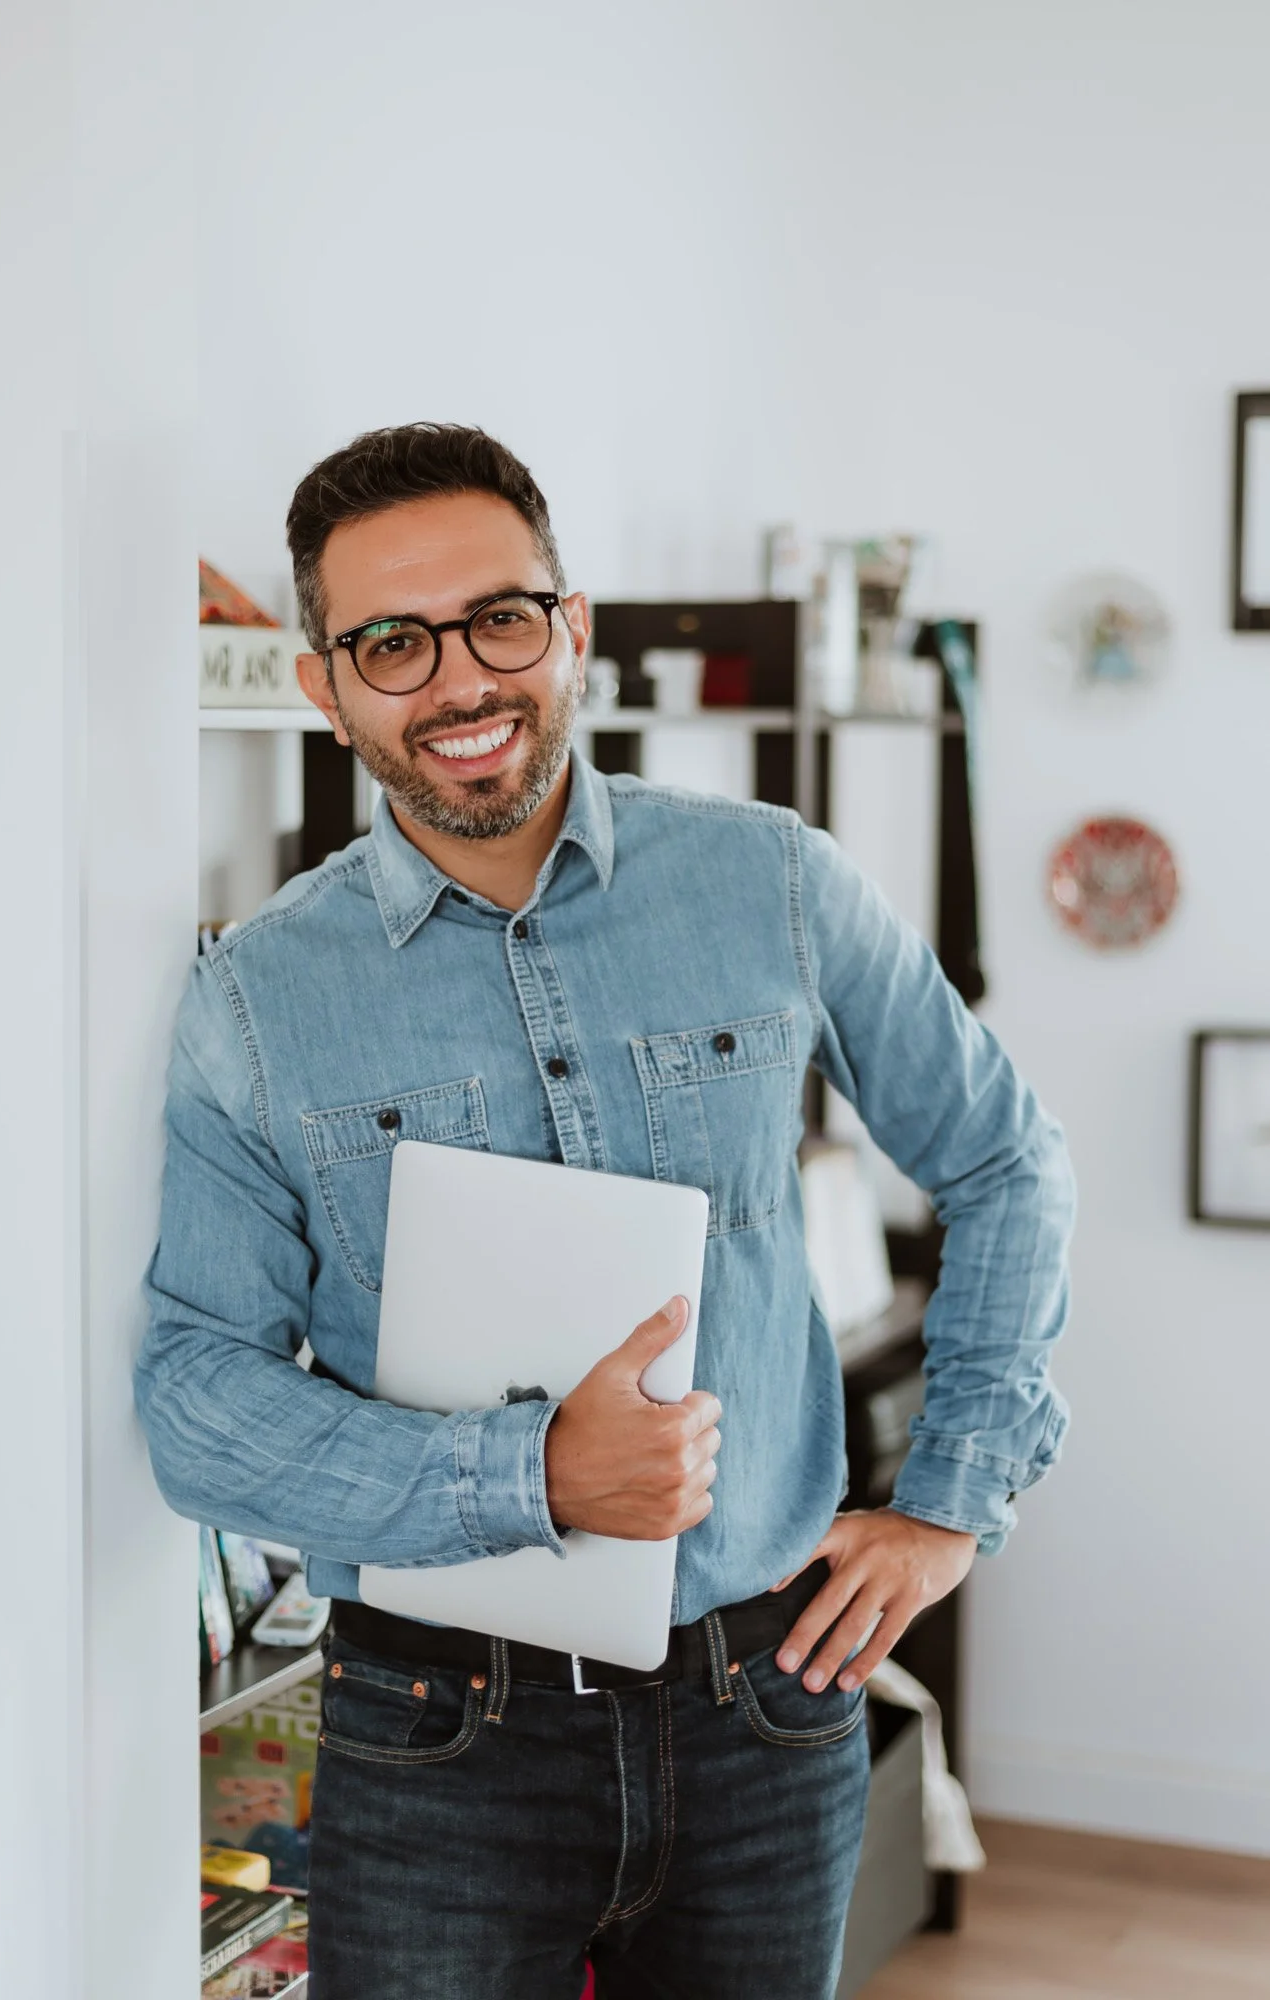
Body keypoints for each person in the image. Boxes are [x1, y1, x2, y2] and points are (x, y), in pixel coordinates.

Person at [137, 422, 1074, 2000]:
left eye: (501, 617)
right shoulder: (257, 998)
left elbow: (1005, 1157)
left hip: (770, 1709)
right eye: (390, 642)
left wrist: (948, 1506)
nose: (460, 682)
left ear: (575, 629)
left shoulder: (773, 882)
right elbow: (191, 1395)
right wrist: (528, 1472)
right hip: (439, 1745)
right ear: (328, 689)